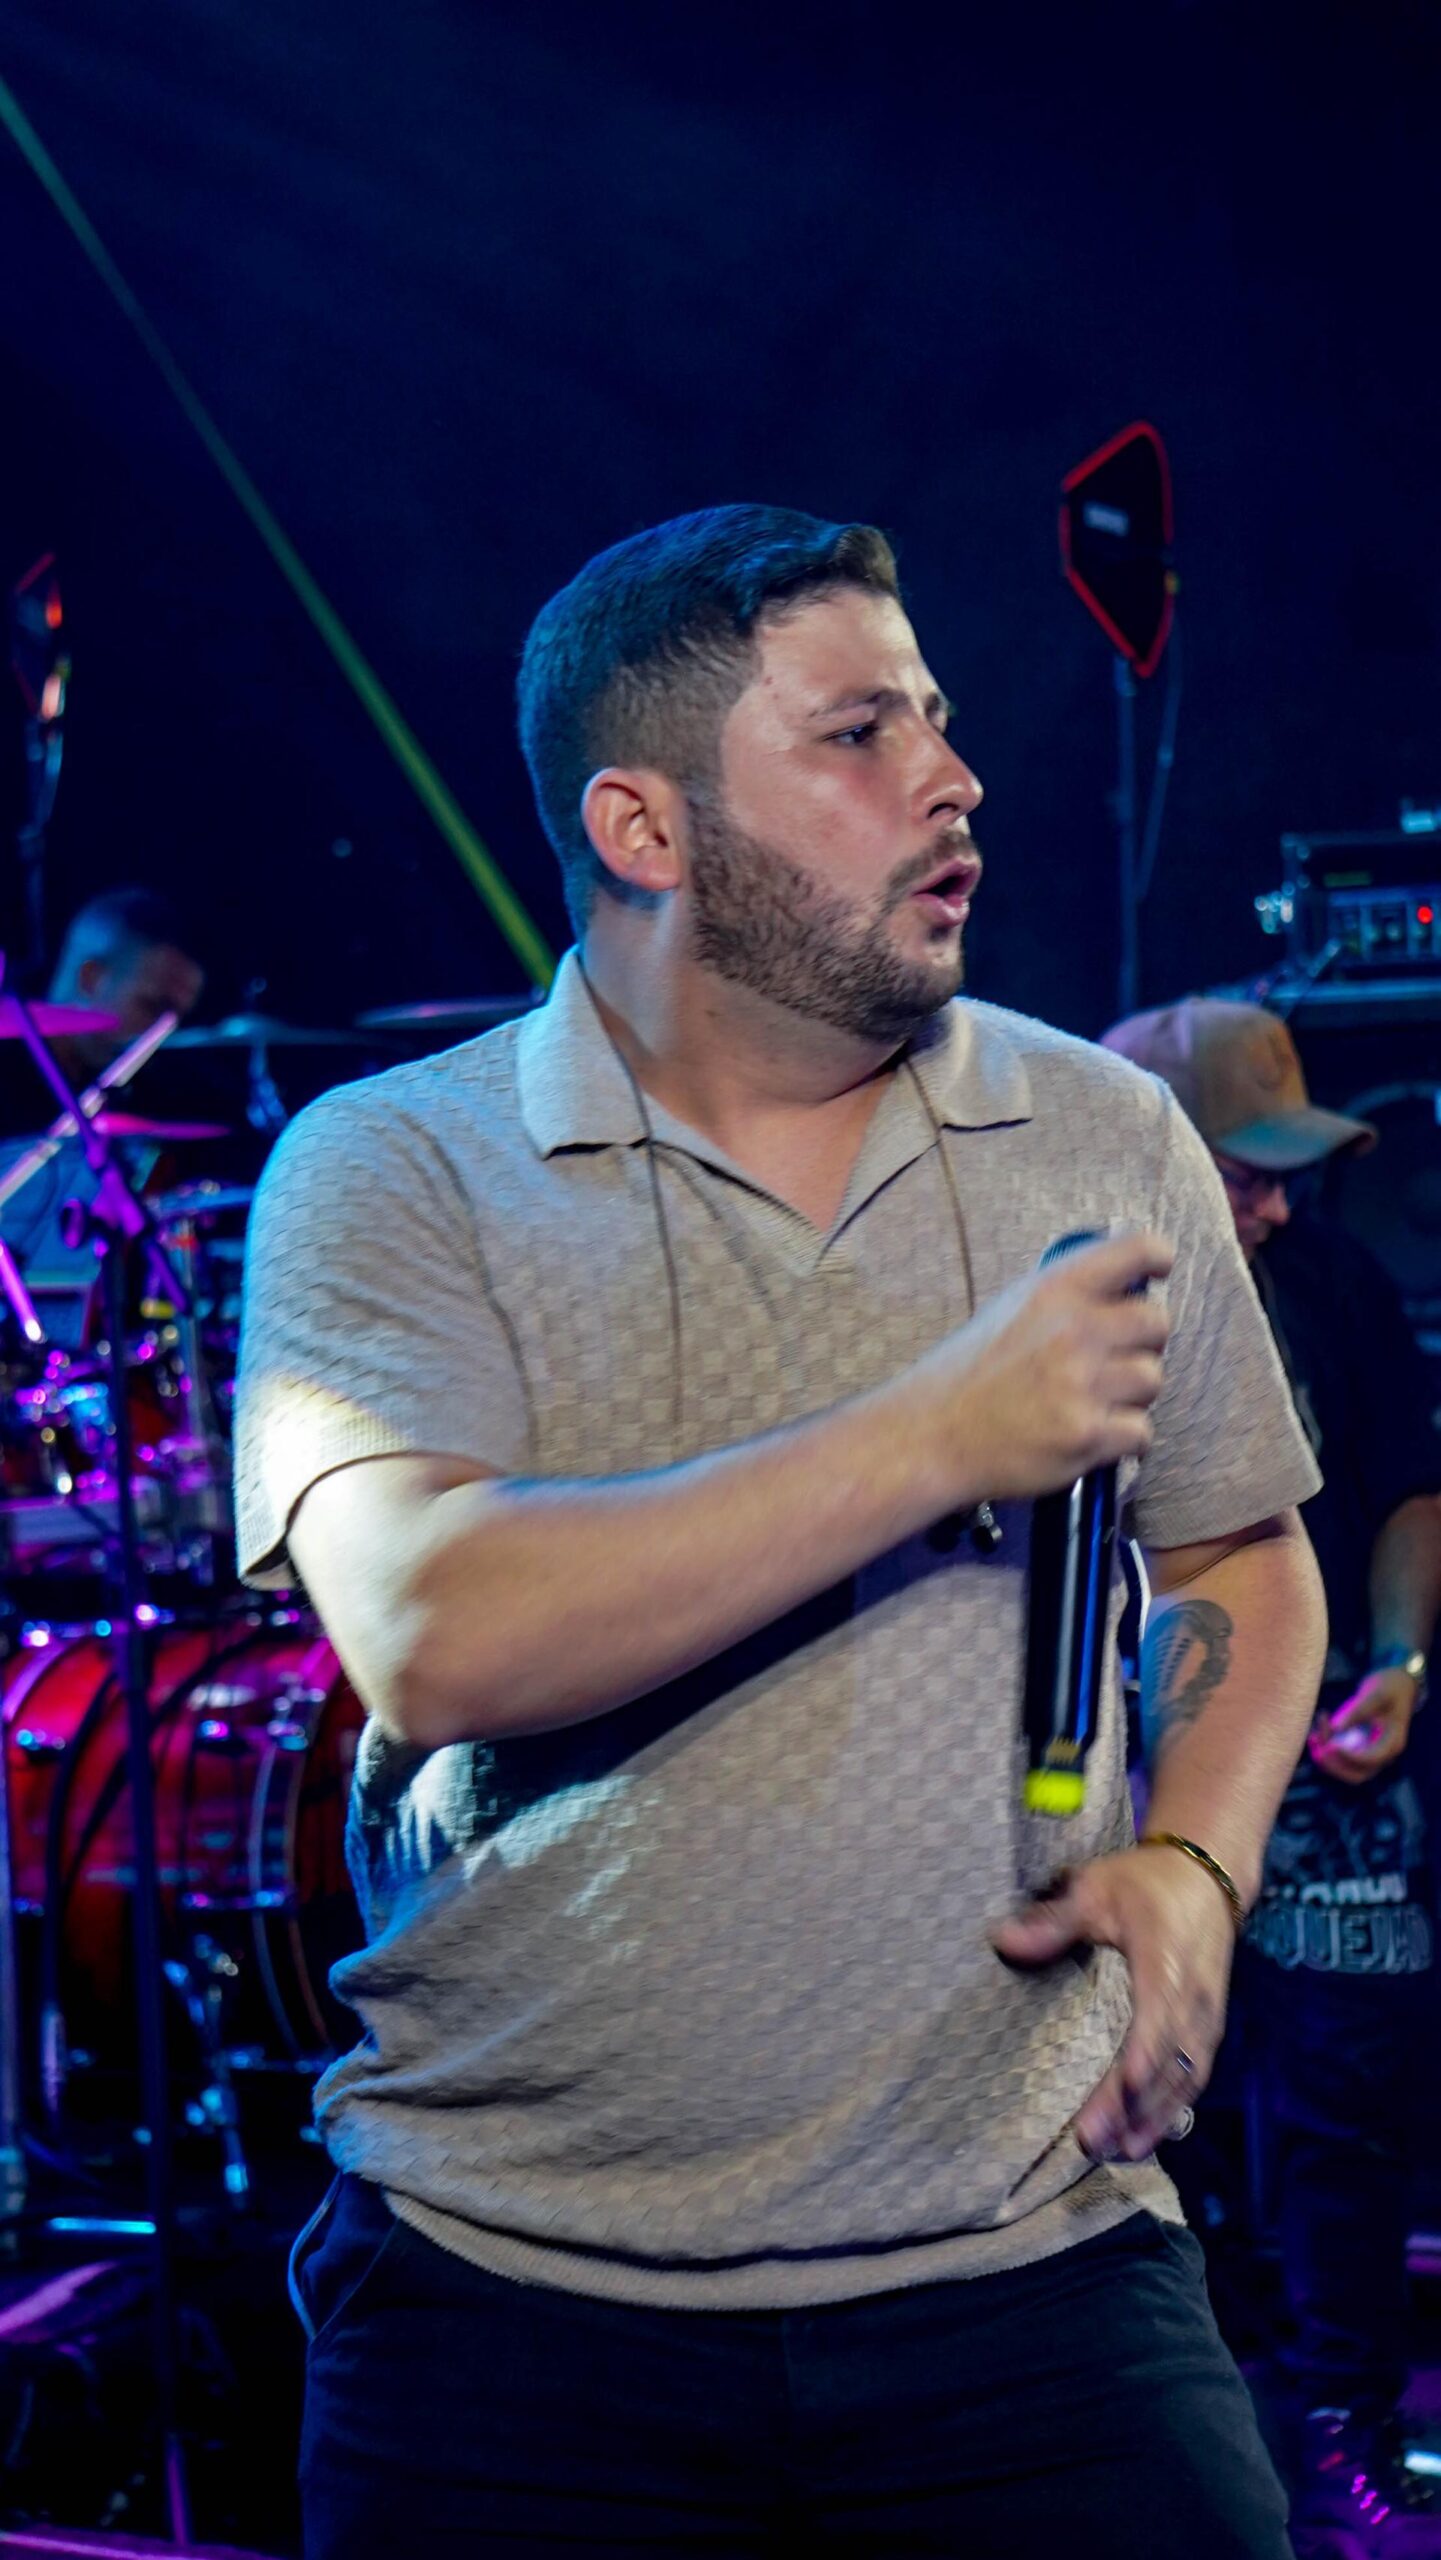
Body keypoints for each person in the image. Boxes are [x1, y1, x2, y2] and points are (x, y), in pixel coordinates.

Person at [236, 505, 1326, 2558]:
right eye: (856, 732)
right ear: (643, 827)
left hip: (1037, 2270)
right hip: (511, 2317)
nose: (951, 775)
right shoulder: (393, 1168)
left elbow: (1235, 1558)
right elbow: (433, 1627)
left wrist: (1195, 1864)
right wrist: (938, 1428)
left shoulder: (1100, 1131)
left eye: (935, 717)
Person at [1103, 995, 1441, 2558]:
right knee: (1143, 2096)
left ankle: (1343, 2433)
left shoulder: (1327, 1280)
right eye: (1244, 1174)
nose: (1275, 1206)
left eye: (1284, 1174)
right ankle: (1186, 2432)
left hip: (1323, 1759)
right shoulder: (1067, 1309)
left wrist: (1399, 1664)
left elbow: (1410, 1486)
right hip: (1117, 1775)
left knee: (1348, 2096)